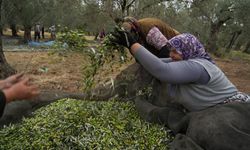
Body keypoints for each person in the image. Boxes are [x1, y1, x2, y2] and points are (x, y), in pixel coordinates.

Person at [111, 27, 250, 150]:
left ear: (188, 50)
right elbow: (155, 63)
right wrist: (132, 46)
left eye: (175, 52)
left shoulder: (197, 66)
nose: (171, 55)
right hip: (211, 109)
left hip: (233, 107)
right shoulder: (185, 60)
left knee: (211, 133)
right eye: (170, 50)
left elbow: (161, 70)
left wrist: (132, 44)